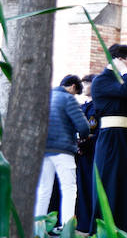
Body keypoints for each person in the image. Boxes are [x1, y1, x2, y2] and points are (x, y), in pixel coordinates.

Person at [89, 44, 127, 233]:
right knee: (111, 183)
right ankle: (106, 230)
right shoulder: (102, 80)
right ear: (119, 60)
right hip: (113, 139)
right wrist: (126, 72)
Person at [35, 74, 90, 229]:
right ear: (73, 86)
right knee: (69, 189)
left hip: (43, 150)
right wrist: (82, 137)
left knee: (43, 190)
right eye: (76, 92)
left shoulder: (44, 98)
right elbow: (83, 127)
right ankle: (67, 227)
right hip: (63, 150)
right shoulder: (68, 99)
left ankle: (37, 227)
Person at [75, 74, 99, 232]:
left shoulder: (96, 106)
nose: (84, 87)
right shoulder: (84, 106)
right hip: (80, 152)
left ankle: (89, 224)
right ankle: (82, 223)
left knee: (90, 188)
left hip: (91, 153)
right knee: (81, 189)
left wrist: (84, 143)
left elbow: (95, 130)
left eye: (87, 83)